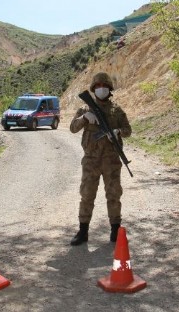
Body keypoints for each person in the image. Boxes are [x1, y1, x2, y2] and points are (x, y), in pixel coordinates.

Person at [69, 72, 132, 246]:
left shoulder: (117, 110)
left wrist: (118, 132)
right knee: (87, 195)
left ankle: (115, 230)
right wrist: (84, 118)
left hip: (111, 160)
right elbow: (73, 128)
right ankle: (83, 231)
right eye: (97, 87)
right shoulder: (85, 109)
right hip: (91, 161)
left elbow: (128, 130)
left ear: (109, 89)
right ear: (93, 89)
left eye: (104, 86)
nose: (101, 89)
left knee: (114, 195)